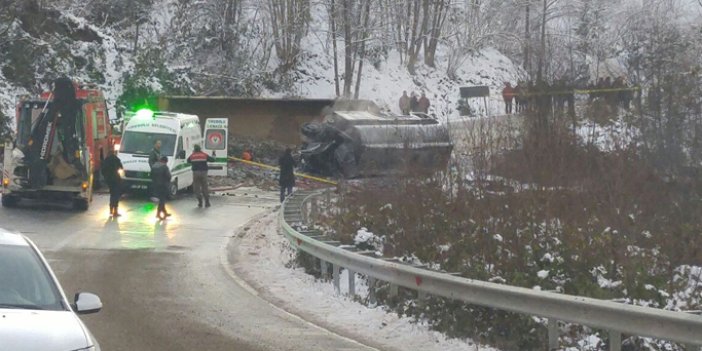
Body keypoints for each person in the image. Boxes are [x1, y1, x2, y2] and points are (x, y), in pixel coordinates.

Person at [101, 147, 123, 217]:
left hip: (109, 180)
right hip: (116, 179)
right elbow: (121, 167)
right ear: (114, 153)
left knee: (112, 194)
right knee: (116, 195)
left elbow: (103, 170)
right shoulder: (116, 159)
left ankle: (111, 210)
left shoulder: (106, 160)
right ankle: (115, 211)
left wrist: (106, 177)